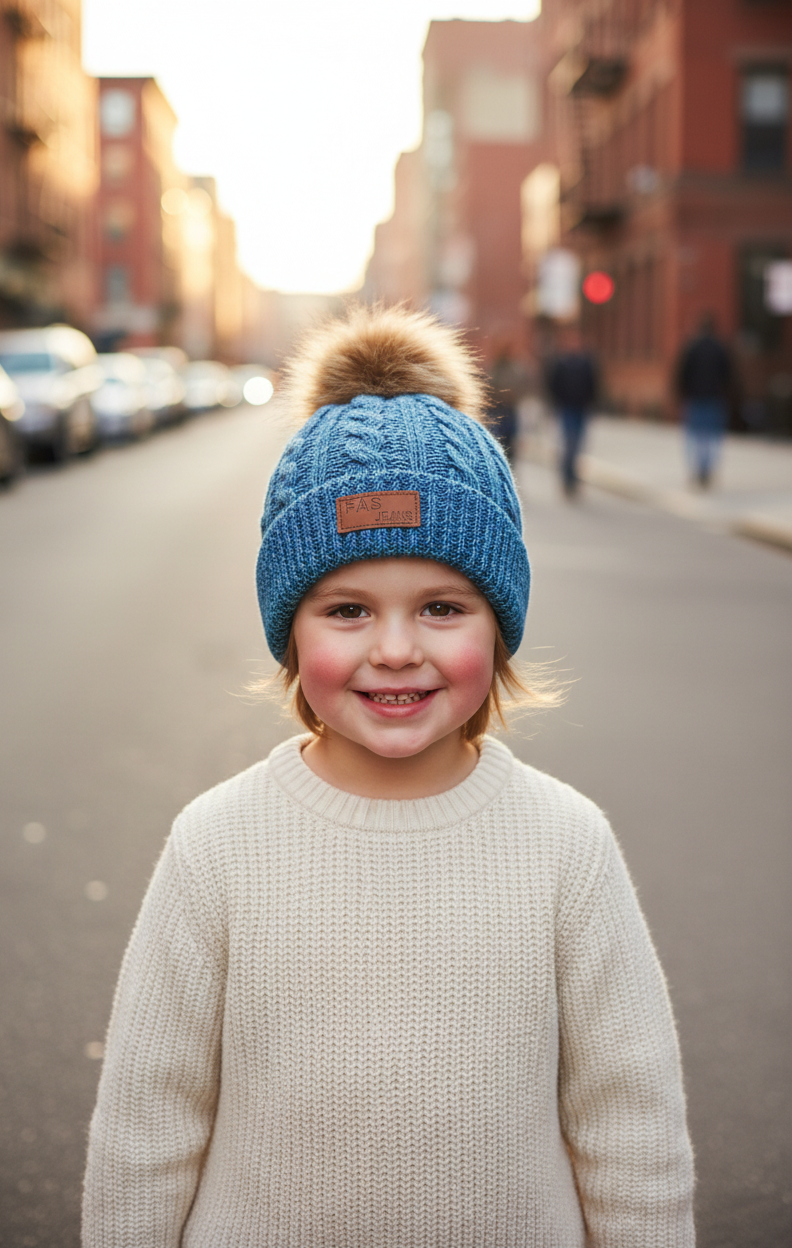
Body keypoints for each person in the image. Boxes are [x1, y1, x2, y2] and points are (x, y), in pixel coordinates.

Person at [82, 306, 695, 1247]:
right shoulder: (218, 845)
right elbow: (146, 1128)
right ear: (291, 630)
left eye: (443, 606)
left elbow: (631, 1129)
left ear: (500, 623)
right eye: (349, 610)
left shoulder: (565, 845)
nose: (397, 650)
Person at [676, 313, 733, 488]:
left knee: (694, 437)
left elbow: (682, 374)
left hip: (695, 398)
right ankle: (707, 470)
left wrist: (682, 394)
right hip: (714, 398)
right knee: (712, 437)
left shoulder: (691, 347)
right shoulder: (720, 347)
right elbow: (728, 375)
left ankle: (697, 470)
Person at [544, 327, 599, 496]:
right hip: (566, 407)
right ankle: (567, 478)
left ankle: (573, 477)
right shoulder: (560, 363)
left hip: (581, 408)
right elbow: (553, 384)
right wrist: (555, 404)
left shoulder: (586, 362)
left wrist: (592, 403)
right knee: (569, 443)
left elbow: (594, 384)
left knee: (578, 444)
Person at [486, 345, 526, 465]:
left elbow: (522, 386)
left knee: (511, 440)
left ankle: (510, 462)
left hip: (511, 409)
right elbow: (491, 386)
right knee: (499, 438)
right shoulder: (496, 368)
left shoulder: (516, 368)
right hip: (499, 409)